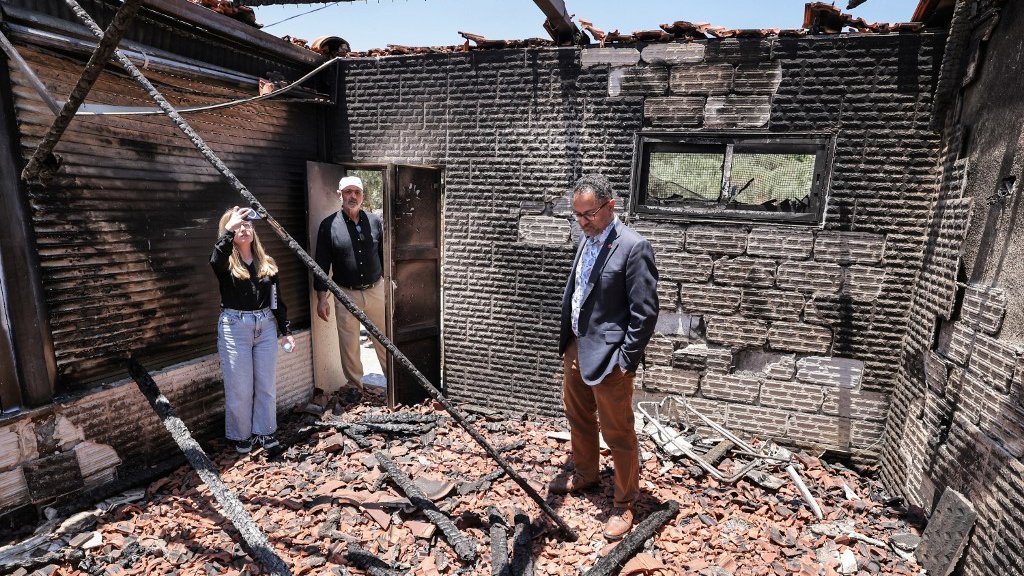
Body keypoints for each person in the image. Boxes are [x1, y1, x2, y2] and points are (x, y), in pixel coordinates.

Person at [548, 174, 659, 541]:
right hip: (577, 347)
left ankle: (625, 502)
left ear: (611, 206)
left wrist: (626, 360)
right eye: (577, 215)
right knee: (578, 417)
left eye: (589, 214)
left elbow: (644, 313)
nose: (582, 222)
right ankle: (586, 475)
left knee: (618, 432)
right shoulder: (586, 240)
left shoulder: (634, 247)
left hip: (611, 357)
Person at [211, 206, 295, 453]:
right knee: (240, 387)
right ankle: (241, 435)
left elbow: (276, 300)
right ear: (229, 232)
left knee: (266, 385)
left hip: (265, 326)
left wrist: (285, 330)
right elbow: (215, 258)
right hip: (235, 327)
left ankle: (265, 431)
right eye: (237, 226)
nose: (243, 229)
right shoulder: (224, 263)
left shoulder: (266, 263)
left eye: (247, 225)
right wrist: (229, 228)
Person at [314, 176, 387, 392]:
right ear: (340, 195)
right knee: (350, 346)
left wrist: (389, 287)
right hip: (346, 294)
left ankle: (394, 386)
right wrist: (321, 299)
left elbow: (384, 256)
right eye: (348, 192)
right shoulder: (328, 226)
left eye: (356, 191)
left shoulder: (374, 222)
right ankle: (356, 388)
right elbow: (321, 264)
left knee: (385, 340)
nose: (352, 196)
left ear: (362, 196)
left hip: (376, 290)